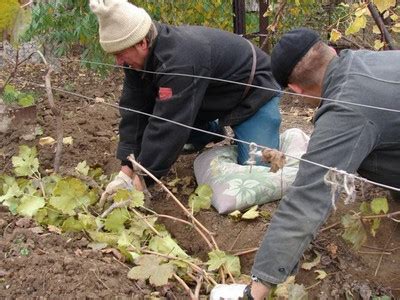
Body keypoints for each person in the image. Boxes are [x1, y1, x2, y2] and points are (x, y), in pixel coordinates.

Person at [240, 28, 400, 299]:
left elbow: (306, 201)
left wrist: (254, 290)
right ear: (332, 51)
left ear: (296, 90)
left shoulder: (346, 109)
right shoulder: (371, 60)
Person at [89, 0, 281, 194]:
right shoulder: (135, 60)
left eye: (120, 54)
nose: (118, 61)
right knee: (161, 124)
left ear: (142, 42)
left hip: (253, 92)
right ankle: (210, 130)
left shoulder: (179, 61)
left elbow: (168, 124)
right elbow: (134, 112)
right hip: (208, 97)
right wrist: (125, 172)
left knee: (258, 169)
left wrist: (139, 185)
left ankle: (231, 130)